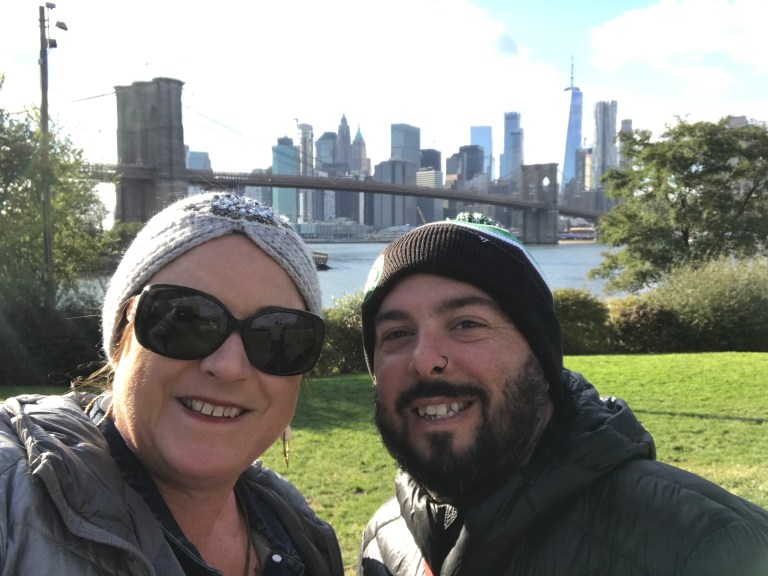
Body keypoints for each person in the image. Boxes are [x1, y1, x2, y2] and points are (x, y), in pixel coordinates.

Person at [356, 214, 768, 576]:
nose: (425, 359)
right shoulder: (384, 541)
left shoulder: (713, 545)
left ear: (540, 353)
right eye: (397, 334)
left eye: (466, 324)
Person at [0, 192, 344, 575]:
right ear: (121, 336)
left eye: (277, 336)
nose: (228, 367)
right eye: (185, 321)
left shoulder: (304, 537)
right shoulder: (11, 494)